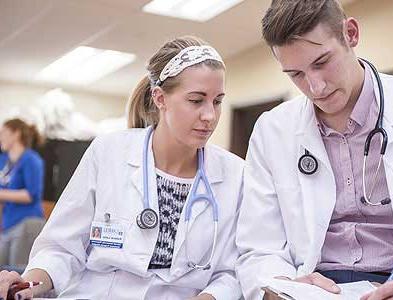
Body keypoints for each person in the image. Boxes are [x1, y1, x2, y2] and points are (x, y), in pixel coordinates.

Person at [235, 1, 393, 299]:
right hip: (308, 287)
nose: (315, 87)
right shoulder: (272, 131)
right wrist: (280, 287)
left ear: (351, 33)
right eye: (296, 74)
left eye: (321, 62)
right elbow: (258, 248)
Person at [0, 36, 244, 300]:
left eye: (217, 101)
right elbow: (61, 247)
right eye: (196, 100)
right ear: (160, 98)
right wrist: (28, 285)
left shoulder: (236, 174)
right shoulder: (108, 153)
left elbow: (231, 271)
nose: (210, 115)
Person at [0, 118, 45, 268]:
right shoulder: (4, 161)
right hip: (8, 225)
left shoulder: (31, 159)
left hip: (27, 223)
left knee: (17, 272)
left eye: (4, 132)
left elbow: (30, 195)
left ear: (16, 134)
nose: (0, 137)